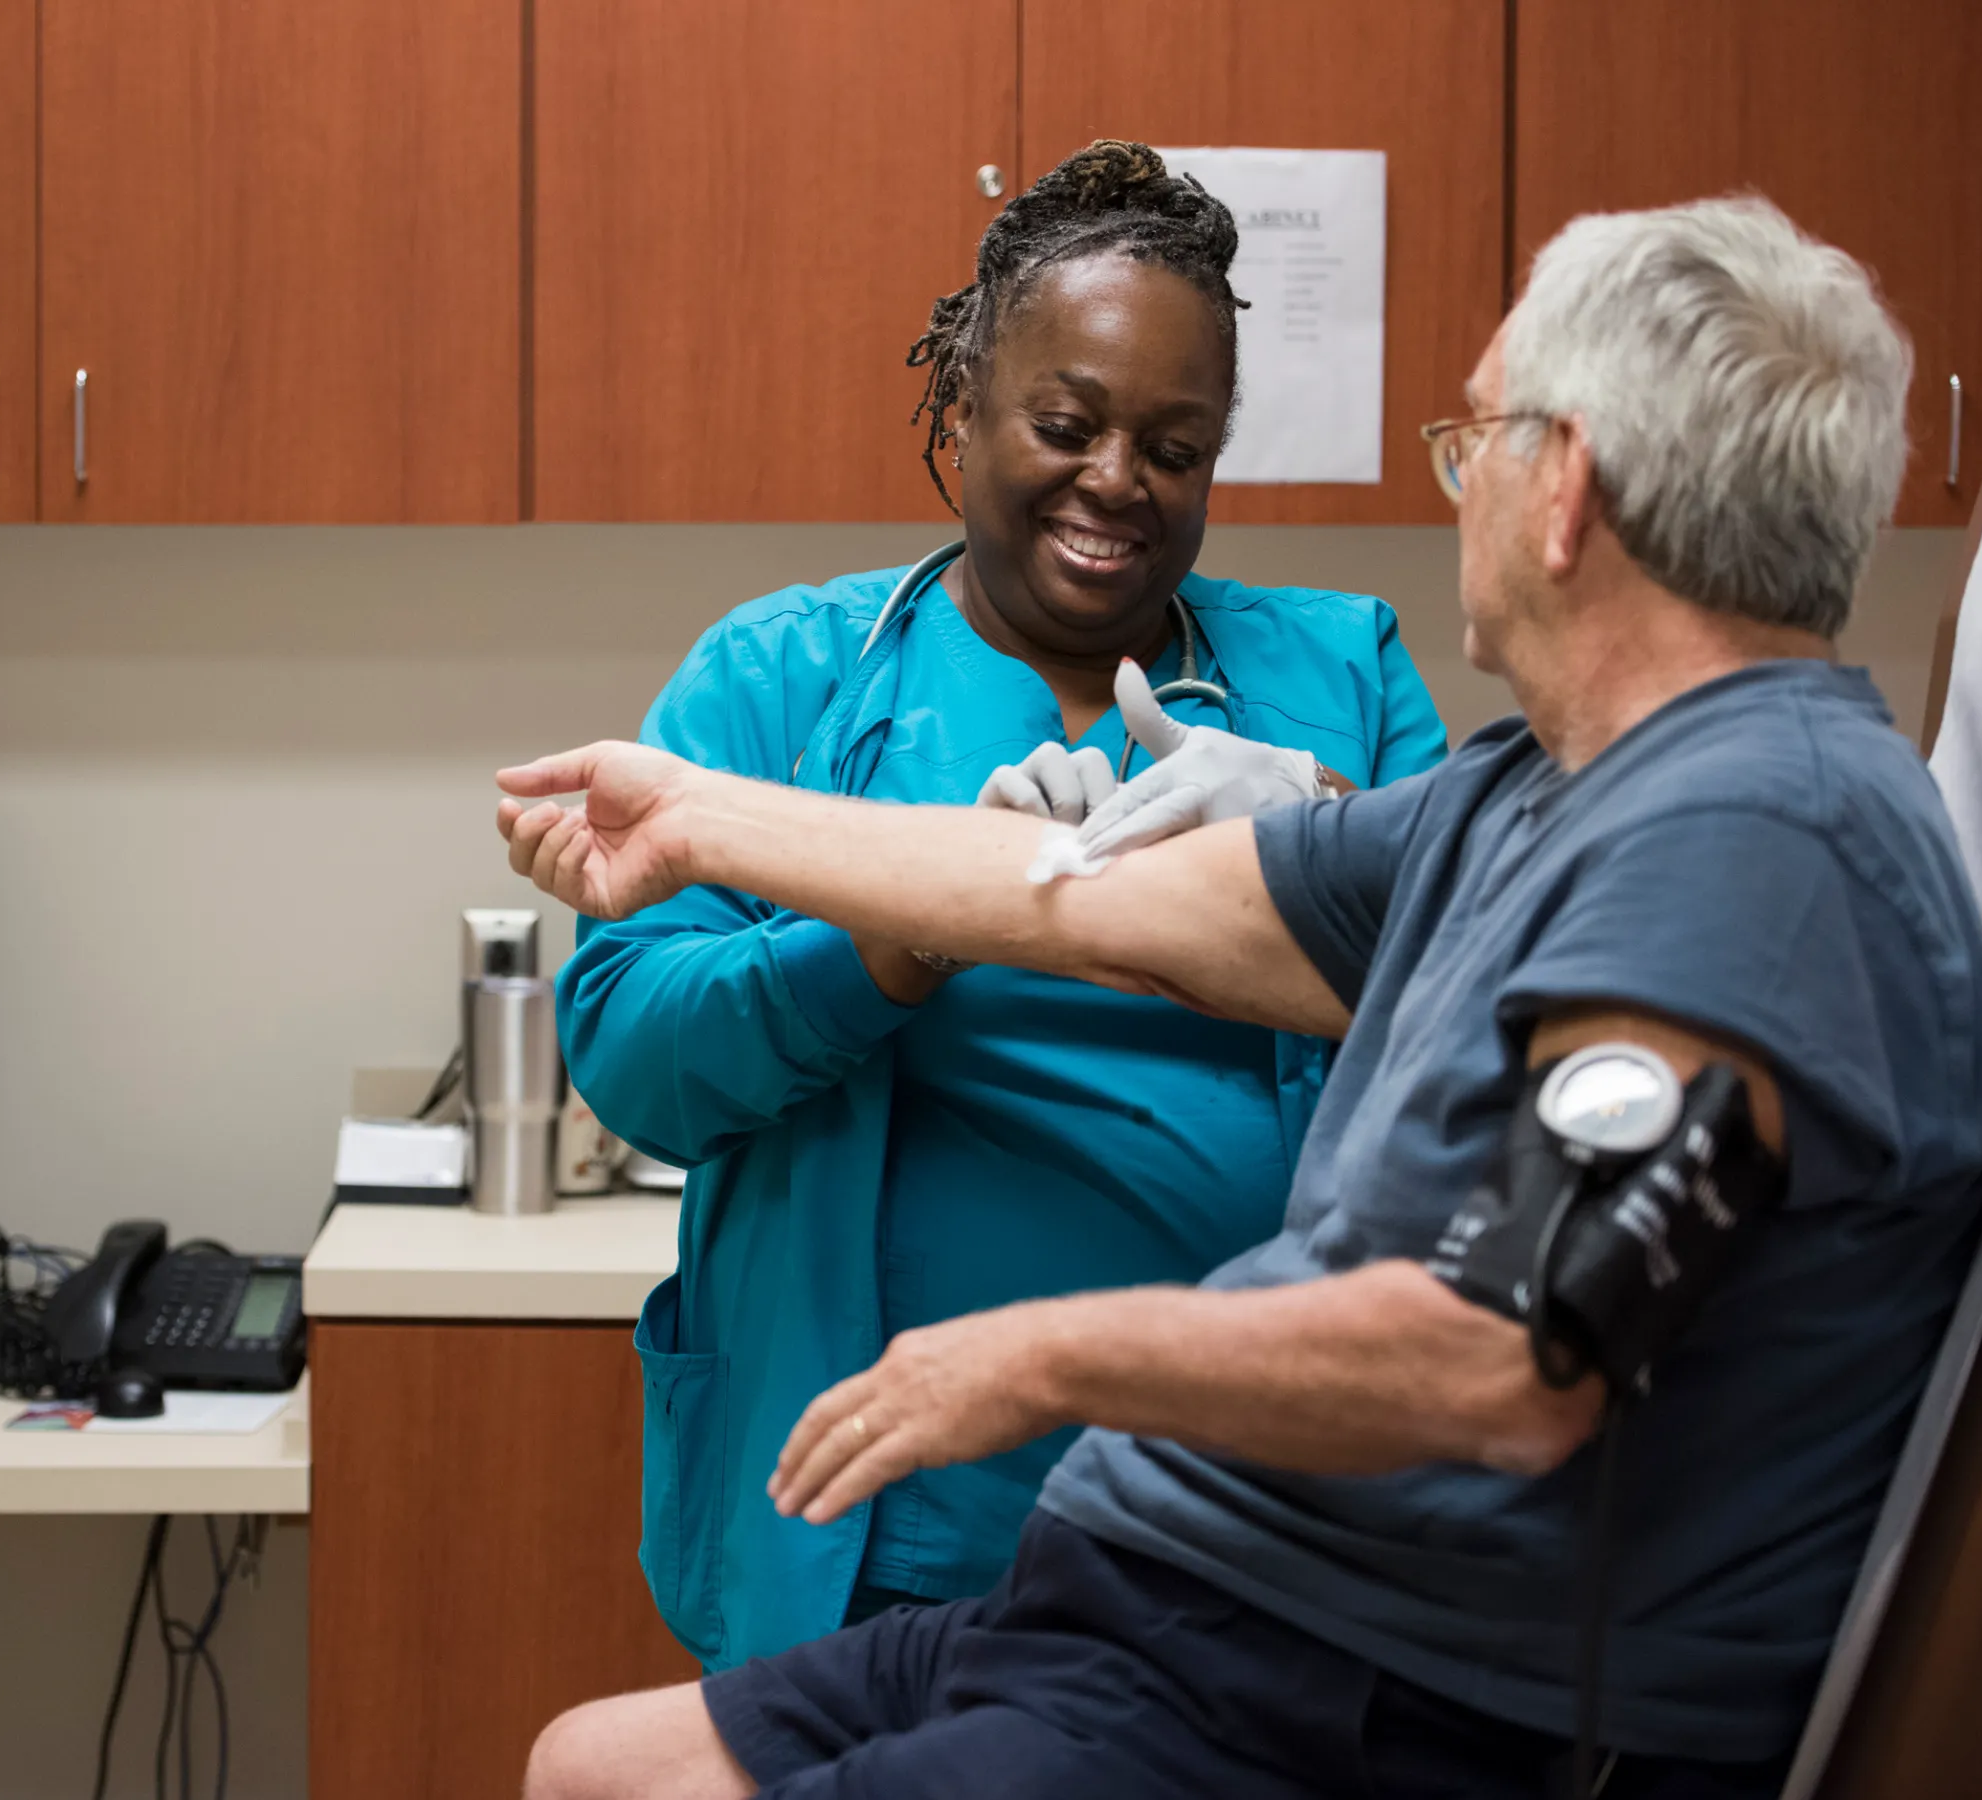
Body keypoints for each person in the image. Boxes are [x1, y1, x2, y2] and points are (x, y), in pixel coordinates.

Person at [500, 195, 1982, 1798]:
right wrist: (691, 814)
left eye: (1470, 441)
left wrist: (1039, 1360)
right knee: (589, 1766)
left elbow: (1512, 1346)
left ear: (1559, 488)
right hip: (1193, 1593)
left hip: (1351, 1679)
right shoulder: (1539, 792)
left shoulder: (1755, 847)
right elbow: (1106, 910)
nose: (1458, 494)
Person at [564, 139, 1446, 1669]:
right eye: (1066, 421)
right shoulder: (786, 679)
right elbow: (633, 1056)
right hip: (890, 1535)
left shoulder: (1340, 679)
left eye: (1176, 446)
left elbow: (1486, 1023)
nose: (1120, 479)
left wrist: (1323, 849)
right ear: (959, 414)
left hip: (1246, 1529)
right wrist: (896, 937)